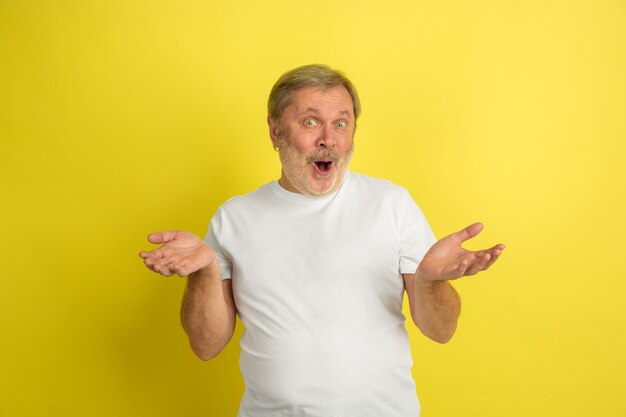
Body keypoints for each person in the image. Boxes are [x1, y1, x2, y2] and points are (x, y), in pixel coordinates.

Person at [139, 64, 504, 417]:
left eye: (341, 123)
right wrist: (203, 271)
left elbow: (441, 331)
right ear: (275, 131)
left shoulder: (391, 204)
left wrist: (431, 281)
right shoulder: (234, 218)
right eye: (310, 122)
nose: (328, 139)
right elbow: (206, 345)